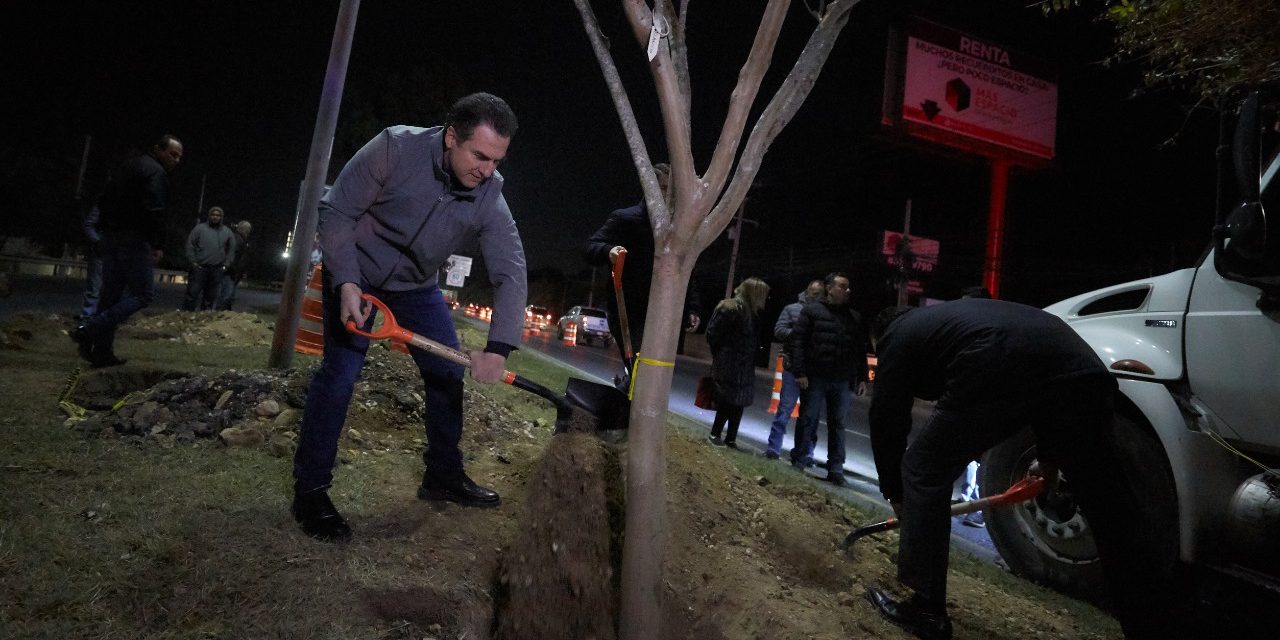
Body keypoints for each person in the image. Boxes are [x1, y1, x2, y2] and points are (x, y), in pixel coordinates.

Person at [865, 299, 1178, 640]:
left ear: (879, 336)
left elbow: (886, 419)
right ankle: (1152, 626)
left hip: (997, 360)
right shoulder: (950, 319)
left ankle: (925, 610)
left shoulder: (897, 335)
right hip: (1085, 372)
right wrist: (1051, 460)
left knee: (923, 468)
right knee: (1112, 510)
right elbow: (1045, 388)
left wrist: (896, 491)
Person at [291, 92, 527, 543]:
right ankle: (311, 491)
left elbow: (510, 271)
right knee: (340, 375)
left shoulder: (489, 196)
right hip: (356, 275)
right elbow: (337, 211)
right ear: (450, 137)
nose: (488, 170)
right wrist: (346, 282)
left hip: (416, 289)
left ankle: (442, 475)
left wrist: (499, 347)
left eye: (497, 161)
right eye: (480, 156)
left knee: (445, 373)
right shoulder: (393, 148)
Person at [71, 134, 184, 368]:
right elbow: (155, 211)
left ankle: (101, 352)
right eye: (172, 154)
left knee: (111, 295)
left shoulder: (127, 166)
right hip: (134, 240)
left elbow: (103, 199)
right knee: (143, 294)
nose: (176, 160)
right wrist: (158, 243)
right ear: (158, 149)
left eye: (179, 157)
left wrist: (102, 232)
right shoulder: (155, 173)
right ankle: (89, 329)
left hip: (111, 238)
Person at [582, 162, 701, 379]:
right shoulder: (626, 219)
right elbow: (590, 247)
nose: (667, 195)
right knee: (639, 368)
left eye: (671, 190)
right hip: (628, 311)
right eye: (663, 188)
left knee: (653, 374)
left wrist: (692, 308)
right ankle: (628, 398)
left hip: (663, 313)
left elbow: (686, 270)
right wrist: (610, 251)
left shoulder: (678, 228)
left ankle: (629, 398)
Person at [788, 272, 868, 486]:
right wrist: (800, 372)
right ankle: (800, 459)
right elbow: (799, 343)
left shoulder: (853, 317)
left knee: (838, 424)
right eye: (842, 286)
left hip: (842, 379)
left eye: (848, 287)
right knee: (808, 418)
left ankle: (835, 468)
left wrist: (862, 377)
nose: (847, 291)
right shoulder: (812, 311)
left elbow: (860, 349)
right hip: (815, 376)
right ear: (830, 288)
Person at [763, 279, 825, 460]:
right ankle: (773, 448)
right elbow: (779, 330)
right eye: (814, 294)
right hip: (792, 366)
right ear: (806, 292)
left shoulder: (825, 313)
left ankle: (806, 453)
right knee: (784, 410)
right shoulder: (792, 309)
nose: (817, 298)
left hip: (814, 370)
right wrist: (799, 334)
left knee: (810, 417)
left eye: (820, 295)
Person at [704, 277, 769, 449]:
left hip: (743, 363)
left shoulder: (752, 313)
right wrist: (721, 354)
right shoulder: (730, 307)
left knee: (739, 401)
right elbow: (712, 334)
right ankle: (715, 433)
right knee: (727, 399)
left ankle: (731, 438)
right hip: (729, 362)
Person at [181, 206, 235, 311]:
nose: (215, 217)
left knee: (210, 297)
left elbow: (231, 250)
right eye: (213, 215)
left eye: (218, 215)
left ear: (221, 217)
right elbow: (190, 244)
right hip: (199, 268)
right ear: (209, 216)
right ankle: (186, 316)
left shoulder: (227, 232)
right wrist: (193, 262)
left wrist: (226, 265)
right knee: (192, 294)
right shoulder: (199, 229)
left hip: (216, 269)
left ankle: (204, 319)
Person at [215, 220, 252, 310]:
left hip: (233, 272)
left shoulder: (239, 239)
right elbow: (232, 257)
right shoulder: (238, 240)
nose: (248, 231)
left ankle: (223, 313)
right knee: (226, 296)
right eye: (247, 229)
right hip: (231, 272)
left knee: (228, 296)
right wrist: (233, 270)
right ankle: (220, 314)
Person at [79, 204, 103, 318]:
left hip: (117, 254)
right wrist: (98, 242)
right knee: (94, 289)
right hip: (100, 253)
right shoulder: (104, 203)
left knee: (111, 290)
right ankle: (87, 320)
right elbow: (89, 225)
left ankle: (101, 320)